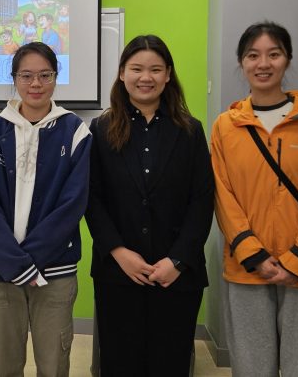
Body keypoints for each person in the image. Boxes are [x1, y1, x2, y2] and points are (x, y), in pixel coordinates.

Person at [211, 21, 298, 376]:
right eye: (253, 55)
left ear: (287, 60)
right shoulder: (226, 126)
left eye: (274, 54)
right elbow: (224, 196)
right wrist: (252, 254)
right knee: (252, 368)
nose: (263, 64)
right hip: (248, 270)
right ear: (242, 63)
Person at [85, 35, 214, 376]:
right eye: (137, 69)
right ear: (122, 73)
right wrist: (118, 251)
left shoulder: (190, 130)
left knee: (169, 363)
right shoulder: (99, 129)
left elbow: (202, 200)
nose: (146, 77)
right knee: (119, 362)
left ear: (168, 75)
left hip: (177, 275)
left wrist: (178, 259)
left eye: (156, 69)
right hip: (118, 272)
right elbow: (92, 198)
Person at [0, 42, 91, 376]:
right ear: (14, 78)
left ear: (56, 77)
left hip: (54, 272)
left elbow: (73, 205)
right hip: (1, 273)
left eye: (44, 75)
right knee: (4, 364)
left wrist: (30, 261)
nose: (35, 84)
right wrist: (13, 264)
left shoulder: (76, 131)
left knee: (53, 364)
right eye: (26, 76)